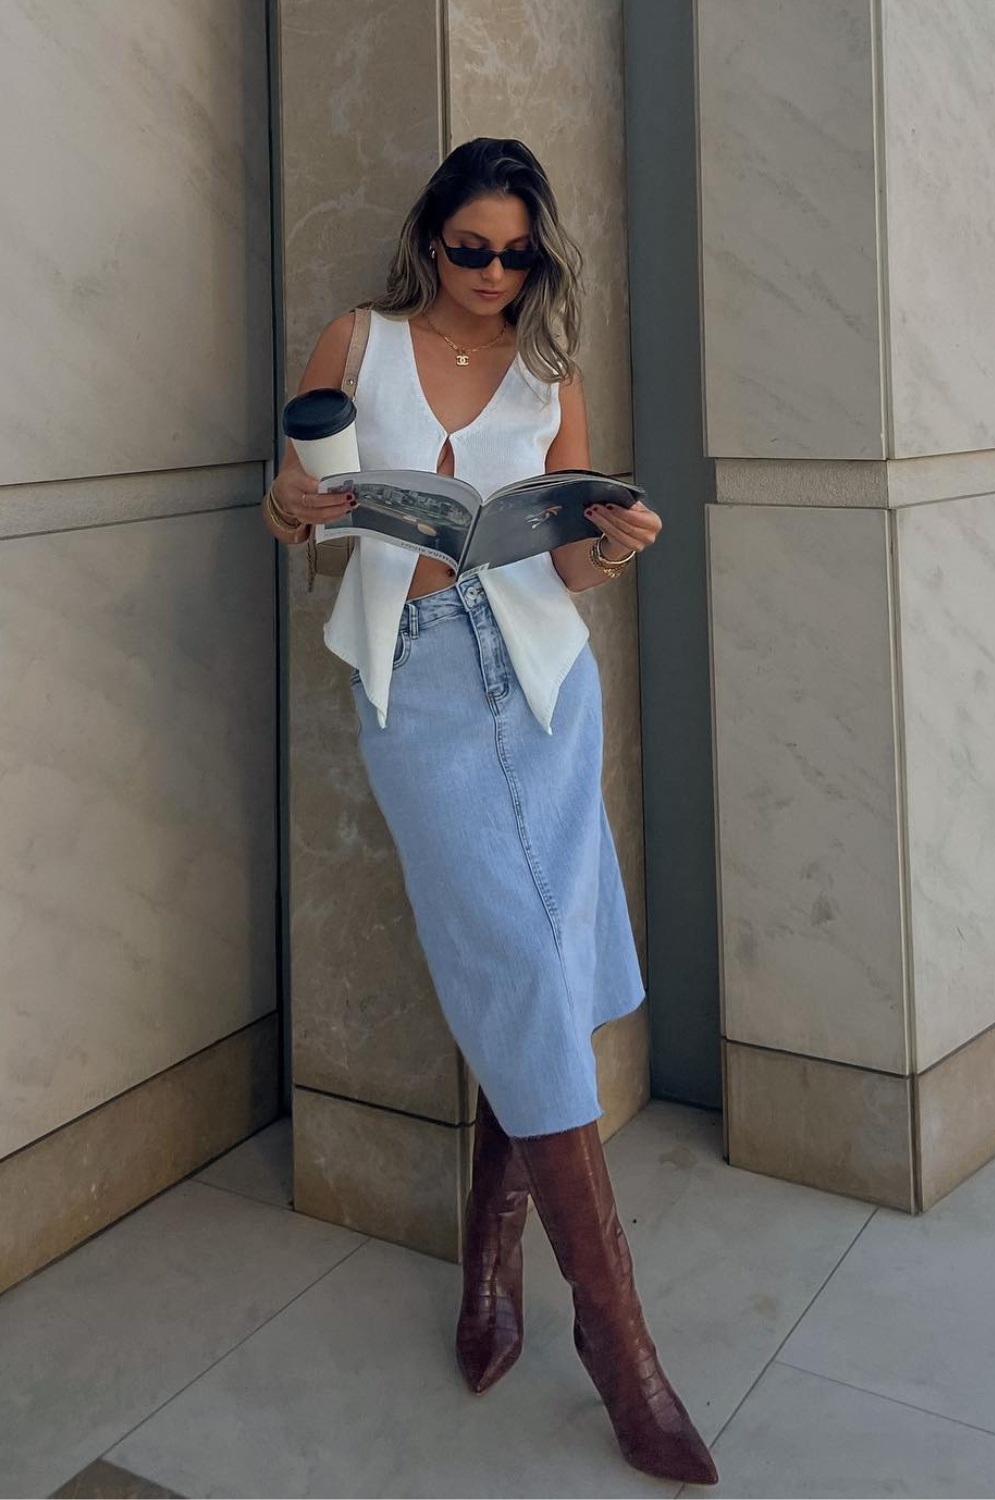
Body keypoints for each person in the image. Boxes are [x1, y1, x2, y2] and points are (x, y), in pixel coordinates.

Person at [262, 137, 717, 1488]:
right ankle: (620, 1343)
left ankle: (494, 1258)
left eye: (520, 253)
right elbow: (300, 520)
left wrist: (609, 545)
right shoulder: (357, 340)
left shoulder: (545, 368)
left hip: (540, 688)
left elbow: (565, 561)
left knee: (543, 963)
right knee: (516, 961)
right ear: (430, 240)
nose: (496, 274)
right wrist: (293, 505)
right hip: (421, 698)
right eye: (473, 250)